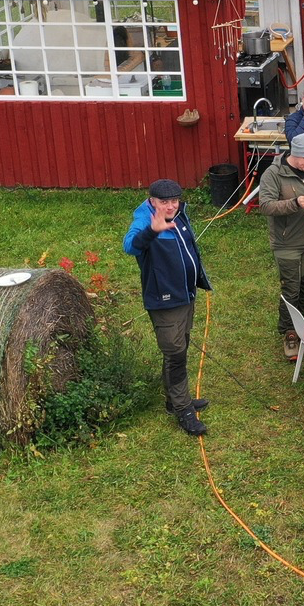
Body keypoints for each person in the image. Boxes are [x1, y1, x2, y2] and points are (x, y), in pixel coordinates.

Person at [121, 178, 213, 436]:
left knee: (179, 346)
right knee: (175, 355)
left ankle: (174, 400)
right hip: (165, 300)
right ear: (152, 201)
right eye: (165, 202)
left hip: (185, 295)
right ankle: (183, 410)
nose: (171, 206)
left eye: (175, 200)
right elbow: (130, 246)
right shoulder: (145, 221)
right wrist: (152, 231)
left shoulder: (178, 214)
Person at [256, 133, 304, 362]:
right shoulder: (274, 173)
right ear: (295, 154)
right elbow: (265, 205)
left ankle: (301, 324)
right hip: (286, 242)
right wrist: (294, 203)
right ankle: (290, 332)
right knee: (291, 289)